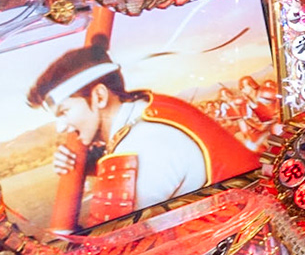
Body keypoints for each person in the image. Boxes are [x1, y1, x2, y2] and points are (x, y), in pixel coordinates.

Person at [28, 40, 260, 230]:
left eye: (65, 112)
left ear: (99, 97)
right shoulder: (145, 108)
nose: (61, 128)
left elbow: (112, 249)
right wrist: (85, 164)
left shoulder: (143, 144)